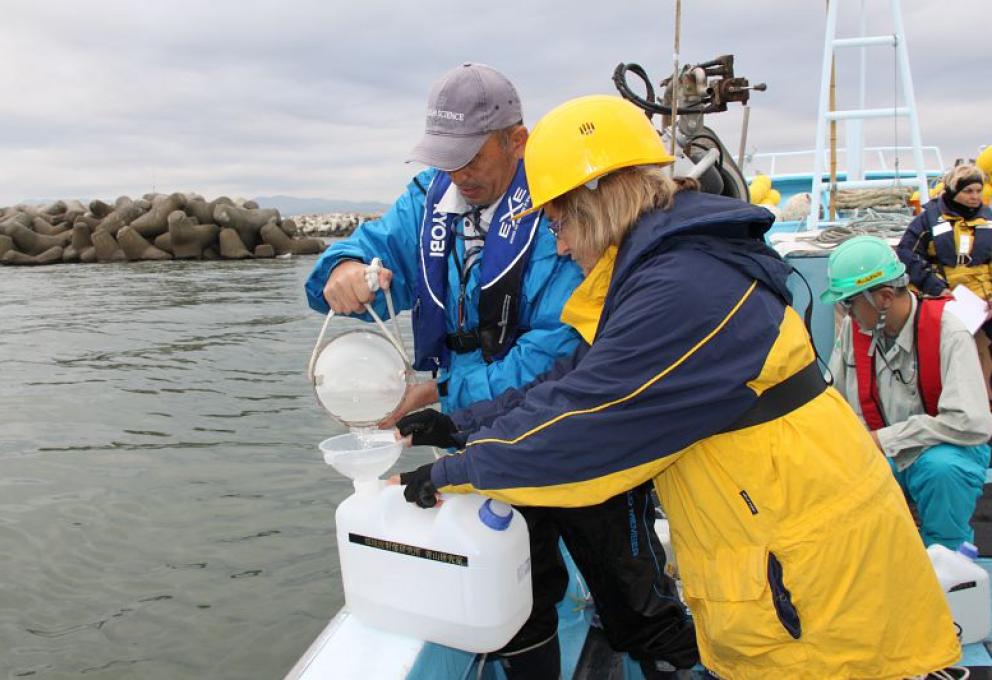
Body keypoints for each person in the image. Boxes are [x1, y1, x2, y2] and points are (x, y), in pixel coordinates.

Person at [394, 94, 961, 678]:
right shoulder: (665, 266)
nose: (559, 244)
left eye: (559, 223)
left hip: (809, 574)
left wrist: (452, 472)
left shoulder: (683, 284)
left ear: (597, 199)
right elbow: (575, 381)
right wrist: (461, 426)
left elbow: (590, 425)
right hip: (777, 548)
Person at [305, 65, 697, 679]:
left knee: (628, 586)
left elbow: (559, 350)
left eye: (470, 154)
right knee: (520, 590)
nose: (458, 171)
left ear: (517, 139)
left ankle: (664, 655)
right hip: (475, 423)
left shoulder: (563, 201)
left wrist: (446, 395)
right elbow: (366, 252)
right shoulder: (428, 201)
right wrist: (344, 271)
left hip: (569, 421)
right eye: (444, 156)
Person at [824, 235, 992, 549]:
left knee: (941, 470)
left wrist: (884, 439)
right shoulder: (854, 330)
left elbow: (972, 423)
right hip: (882, 450)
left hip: (948, 448)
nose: (847, 312)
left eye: (850, 302)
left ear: (884, 297)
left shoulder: (949, 331)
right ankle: (881, 558)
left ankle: (949, 559)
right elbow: (833, 401)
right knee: (849, 469)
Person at [897, 164, 992, 398]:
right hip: (946, 300)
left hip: (984, 305)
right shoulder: (928, 220)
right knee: (951, 353)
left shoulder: (988, 219)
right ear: (953, 190)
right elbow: (907, 253)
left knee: (985, 353)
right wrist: (937, 287)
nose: (975, 197)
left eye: (978, 191)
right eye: (969, 191)